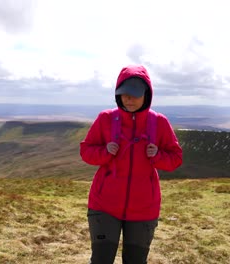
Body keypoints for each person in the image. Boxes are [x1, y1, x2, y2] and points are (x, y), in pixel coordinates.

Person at [80, 64, 183, 263]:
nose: (129, 98)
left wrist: (157, 156)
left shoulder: (159, 122)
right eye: (124, 94)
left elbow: (175, 159)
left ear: (147, 93)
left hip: (144, 208)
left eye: (135, 94)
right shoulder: (106, 119)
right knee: (101, 260)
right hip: (104, 205)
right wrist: (104, 152)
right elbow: (86, 152)